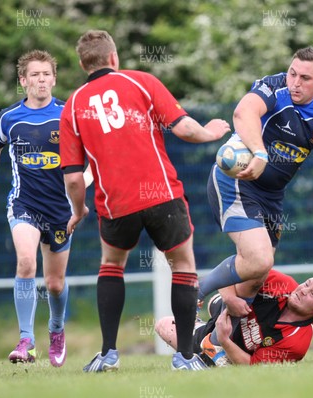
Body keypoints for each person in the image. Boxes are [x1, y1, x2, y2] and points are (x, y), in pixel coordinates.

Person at [59, 30, 231, 372]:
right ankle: (184, 357)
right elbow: (183, 129)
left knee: (111, 265)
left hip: (115, 203)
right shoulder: (140, 82)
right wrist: (212, 130)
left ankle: (108, 354)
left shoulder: (74, 105)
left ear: (82, 64)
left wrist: (78, 211)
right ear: (114, 58)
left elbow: (74, 178)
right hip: (162, 195)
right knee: (182, 266)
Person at [198, 47, 313, 317]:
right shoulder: (273, 88)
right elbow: (242, 113)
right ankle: (197, 290)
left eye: (305, 78)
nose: (295, 83)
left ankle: (217, 340)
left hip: (272, 195)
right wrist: (259, 152)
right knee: (260, 259)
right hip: (237, 181)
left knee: (254, 279)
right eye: (292, 73)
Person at [0, 50, 86, 367]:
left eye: (46, 74)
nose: (41, 79)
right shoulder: (9, 118)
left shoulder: (68, 115)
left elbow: (92, 154)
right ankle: (26, 340)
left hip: (60, 209)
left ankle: (56, 330)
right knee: (26, 262)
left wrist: (84, 190)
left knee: (55, 283)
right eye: (34, 74)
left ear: (54, 79)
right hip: (24, 205)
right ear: (23, 81)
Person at [155, 269, 313, 366]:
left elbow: (251, 365)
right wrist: (229, 298)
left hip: (228, 348)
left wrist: (224, 340)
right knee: (225, 296)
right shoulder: (283, 283)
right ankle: (215, 305)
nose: (303, 290)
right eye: (307, 283)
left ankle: (206, 337)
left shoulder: (297, 342)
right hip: (226, 310)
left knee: (163, 325)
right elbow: (231, 274)